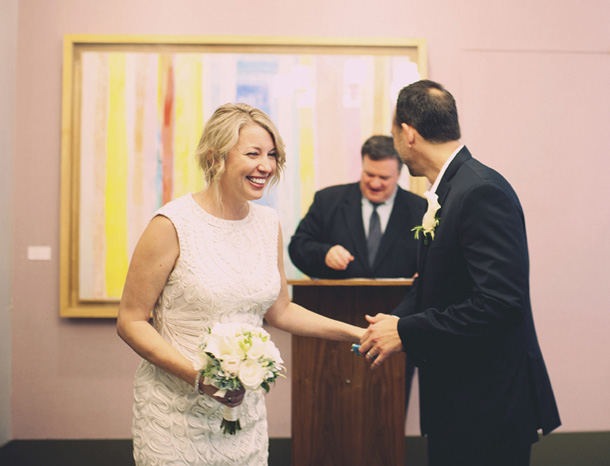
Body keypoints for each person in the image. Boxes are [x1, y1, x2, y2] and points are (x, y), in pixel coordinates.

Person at [117, 103, 365, 465]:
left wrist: (357, 334)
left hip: (242, 415)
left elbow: (280, 310)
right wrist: (200, 379)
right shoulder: (171, 224)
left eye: (272, 155)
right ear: (215, 156)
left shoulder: (268, 224)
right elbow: (131, 321)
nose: (266, 165)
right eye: (253, 153)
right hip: (174, 415)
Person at [359, 80, 561, 465]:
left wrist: (405, 332)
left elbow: (500, 304)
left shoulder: (480, 191)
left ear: (408, 134)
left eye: (394, 134)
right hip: (459, 402)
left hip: (487, 407)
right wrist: (395, 319)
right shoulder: (448, 190)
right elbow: (436, 283)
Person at [288, 135, 426, 279]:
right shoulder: (327, 200)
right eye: (369, 174)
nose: (375, 184)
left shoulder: (421, 209)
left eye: (384, 178)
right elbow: (297, 246)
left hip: (401, 299)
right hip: (336, 299)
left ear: (398, 174)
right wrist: (325, 254)